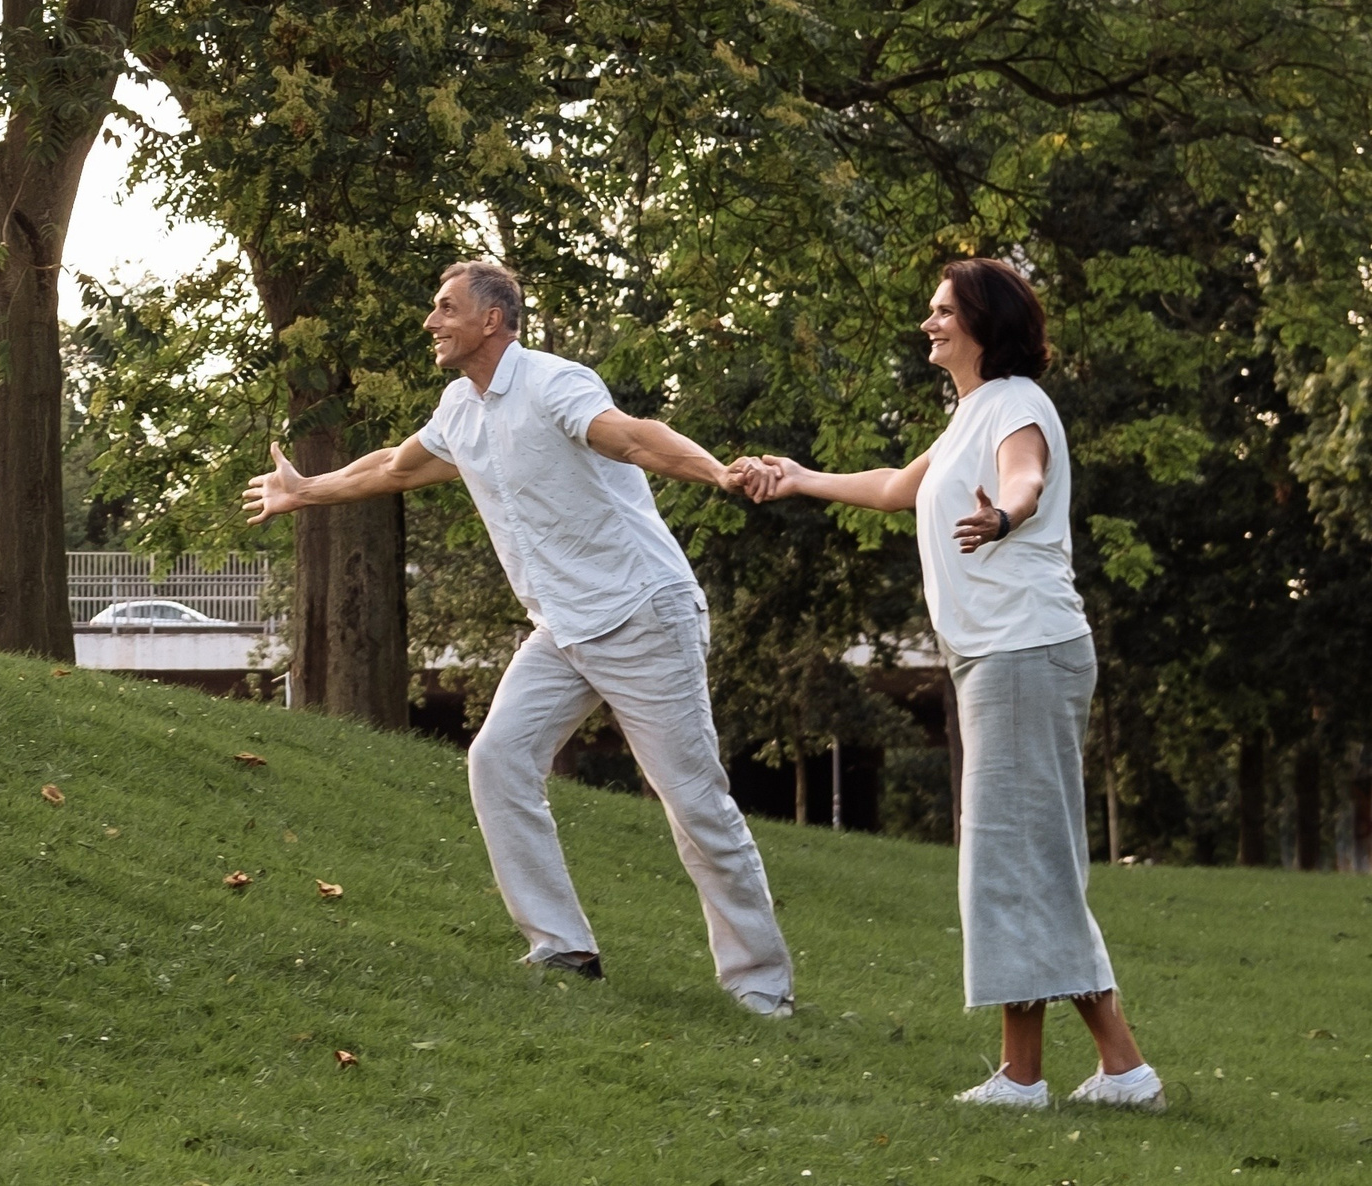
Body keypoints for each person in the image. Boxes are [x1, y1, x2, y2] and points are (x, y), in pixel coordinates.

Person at [244, 259, 795, 1015]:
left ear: (492, 320)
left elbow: (634, 440)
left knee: (695, 803)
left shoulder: (553, 382)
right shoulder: (459, 409)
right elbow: (396, 469)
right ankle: (562, 948)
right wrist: (307, 489)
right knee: (499, 759)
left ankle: (761, 988)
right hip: (564, 629)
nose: (431, 322)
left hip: (641, 613)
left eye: (445, 308)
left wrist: (719, 474)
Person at [737, 258, 1163, 1110]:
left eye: (941, 311)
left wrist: (1006, 513)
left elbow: (1027, 477)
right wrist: (801, 478)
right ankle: (1120, 1069)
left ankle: (1027, 1076)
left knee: (1007, 861)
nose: (928, 323)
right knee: (1025, 859)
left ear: (983, 321)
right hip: (999, 656)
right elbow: (901, 486)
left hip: (1024, 650)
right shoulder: (970, 410)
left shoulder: (1014, 405)